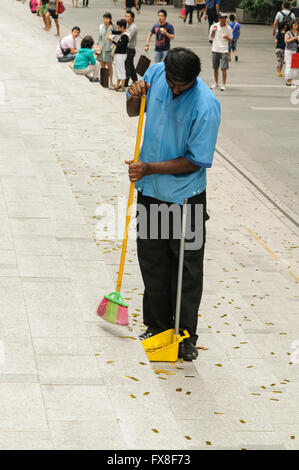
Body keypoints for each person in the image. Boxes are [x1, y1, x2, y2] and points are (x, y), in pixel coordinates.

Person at [126, 47, 220, 361]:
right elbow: (132, 111)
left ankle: (184, 336)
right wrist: (134, 94)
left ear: (194, 79)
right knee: (153, 261)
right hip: (151, 191)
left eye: (183, 85)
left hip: (186, 198)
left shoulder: (206, 106)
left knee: (186, 268)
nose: (176, 89)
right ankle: (157, 325)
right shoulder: (154, 74)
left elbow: (195, 161)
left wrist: (149, 167)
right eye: (172, 83)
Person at [209, 13, 232, 91]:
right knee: (215, 68)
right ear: (219, 19)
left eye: (225, 18)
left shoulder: (229, 28)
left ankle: (223, 84)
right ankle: (216, 83)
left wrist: (227, 37)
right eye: (222, 18)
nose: (224, 19)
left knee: (224, 68)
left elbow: (231, 40)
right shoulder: (214, 26)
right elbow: (210, 38)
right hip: (215, 49)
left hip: (224, 50)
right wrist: (213, 31)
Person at [108, 20, 129, 92]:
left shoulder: (125, 36)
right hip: (119, 54)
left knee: (121, 70)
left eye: (119, 27)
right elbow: (118, 32)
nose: (118, 28)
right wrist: (111, 32)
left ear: (123, 27)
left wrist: (112, 41)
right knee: (118, 70)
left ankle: (122, 86)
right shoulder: (123, 32)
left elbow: (121, 46)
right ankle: (117, 85)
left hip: (121, 54)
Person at [97, 13, 116, 90]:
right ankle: (103, 80)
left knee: (109, 65)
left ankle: (111, 81)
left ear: (110, 19)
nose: (105, 20)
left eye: (107, 18)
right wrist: (97, 46)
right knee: (102, 65)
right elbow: (99, 37)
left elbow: (114, 38)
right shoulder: (101, 26)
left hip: (108, 49)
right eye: (104, 18)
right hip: (101, 48)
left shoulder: (113, 28)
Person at [125, 10, 138, 87]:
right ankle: (135, 81)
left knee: (127, 67)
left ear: (132, 18)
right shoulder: (127, 26)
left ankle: (125, 83)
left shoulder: (133, 27)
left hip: (130, 50)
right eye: (125, 16)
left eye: (128, 16)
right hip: (127, 49)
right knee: (130, 66)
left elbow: (127, 38)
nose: (126, 18)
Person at [284, 20, 299, 85]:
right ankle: (288, 79)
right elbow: (286, 41)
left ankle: (291, 78)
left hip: (296, 51)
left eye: (297, 25)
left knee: (295, 66)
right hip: (289, 51)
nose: (296, 26)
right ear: (291, 26)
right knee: (289, 65)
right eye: (295, 25)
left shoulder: (297, 33)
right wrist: (294, 38)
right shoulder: (288, 33)